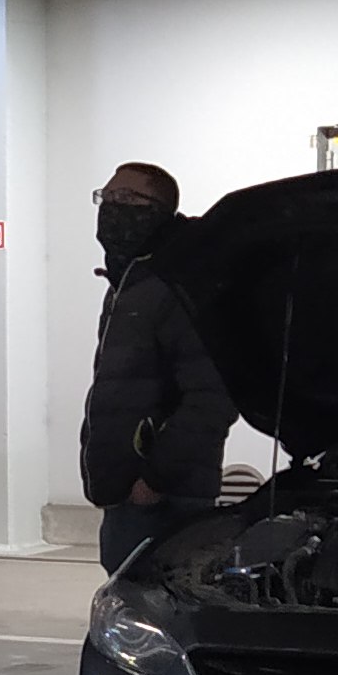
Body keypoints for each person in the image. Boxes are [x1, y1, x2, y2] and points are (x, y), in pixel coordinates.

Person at [81, 161, 233, 573]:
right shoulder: (129, 283)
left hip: (163, 497)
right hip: (128, 492)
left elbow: (213, 395)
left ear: (159, 209)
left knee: (156, 600)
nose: (112, 207)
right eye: (107, 196)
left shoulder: (179, 284)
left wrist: (155, 479)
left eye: (127, 197)